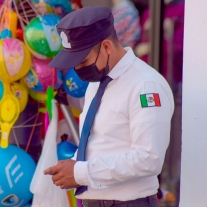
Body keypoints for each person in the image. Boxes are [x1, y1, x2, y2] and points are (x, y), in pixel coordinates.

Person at [44, 6, 174, 207]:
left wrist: (80, 172)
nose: (78, 69)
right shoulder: (97, 81)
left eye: (83, 60)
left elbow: (148, 159)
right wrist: (70, 165)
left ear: (106, 47)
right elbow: (104, 142)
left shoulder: (146, 86)